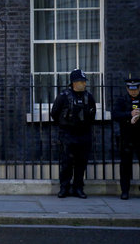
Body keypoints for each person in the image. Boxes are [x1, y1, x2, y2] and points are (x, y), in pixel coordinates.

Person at [51, 69, 96, 198]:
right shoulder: (63, 96)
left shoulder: (89, 97)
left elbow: (92, 115)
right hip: (68, 134)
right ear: (74, 82)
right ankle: (64, 188)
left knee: (81, 163)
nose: (84, 84)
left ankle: (78, 188)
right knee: (67, 163)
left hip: (84, 133)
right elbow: (54, 113)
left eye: (84, 82)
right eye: (82, 81)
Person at [112, 78, 140, 200]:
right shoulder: (122, 100)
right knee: (125, 165)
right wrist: (129, 114)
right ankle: (125, 191)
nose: (133, 92)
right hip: (127, 136)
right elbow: (115, 114)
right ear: (127, 89)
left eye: (135, 89)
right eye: (131, 89)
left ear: (139, 88)